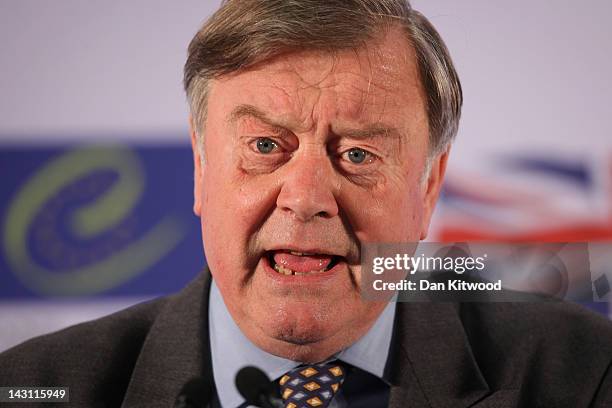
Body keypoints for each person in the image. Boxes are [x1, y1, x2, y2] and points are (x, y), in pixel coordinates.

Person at [1, 1, 611, 407]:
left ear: (428, 188)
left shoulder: (583, 377)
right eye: (266, 145)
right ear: (200, 167)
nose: (307, 198)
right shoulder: (33, 389)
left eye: (359, 155)